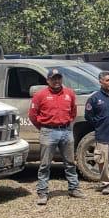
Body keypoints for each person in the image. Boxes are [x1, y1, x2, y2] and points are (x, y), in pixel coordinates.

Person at [29, 67, 83, 205]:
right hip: (48, 131)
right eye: (53, 78)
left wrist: (66, 124)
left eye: (59, 78)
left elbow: (73, 112)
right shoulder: (40, 95)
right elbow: (33, 115)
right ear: (48, 80)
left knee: (70, 162)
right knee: (45, 164)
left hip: (66, 131)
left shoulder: (69, 93)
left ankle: (74, 188)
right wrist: (43, 127)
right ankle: (42, 192)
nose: (57, 81)